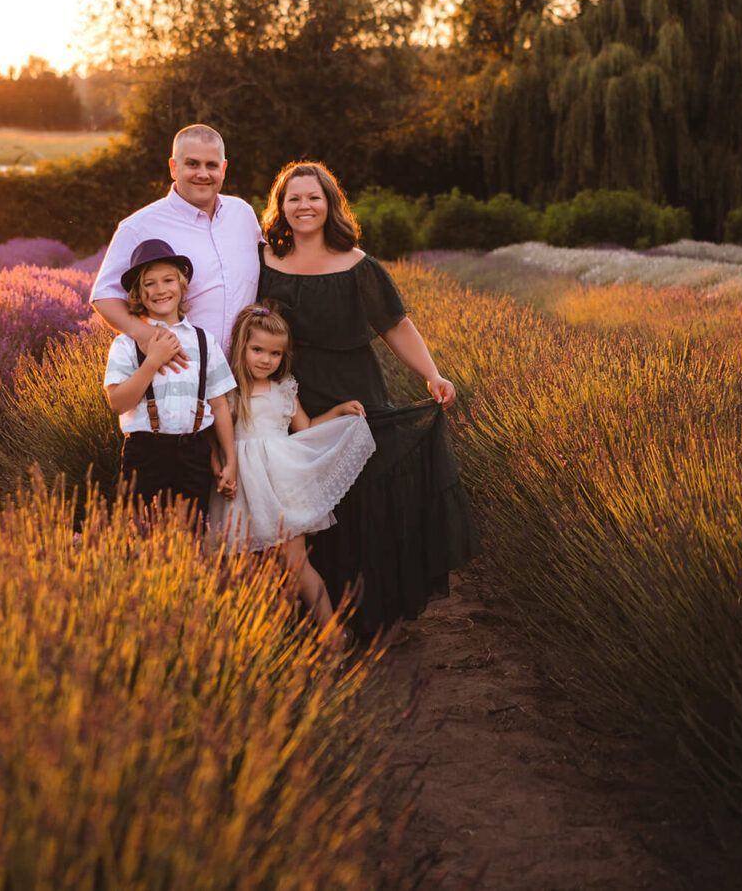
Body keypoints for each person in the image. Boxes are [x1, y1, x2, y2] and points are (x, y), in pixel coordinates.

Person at [254, 160, 482, 640]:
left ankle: (367, 614)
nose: (303, 206)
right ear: (280, 207)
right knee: (300, 501)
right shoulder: (262, 265)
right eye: (293, 197)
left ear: (330, 204)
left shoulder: (360, 266)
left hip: (354, 387)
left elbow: (395, 325)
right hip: (288, 395)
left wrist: (432, 375)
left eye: (313, 197)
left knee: (361, 494)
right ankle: (309, 617)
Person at [209, 303, 375, 631]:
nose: (265, 359)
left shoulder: (284, 388)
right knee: (247, 567)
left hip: (283, 482)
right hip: (241, 486)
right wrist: (221, 470)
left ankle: (331, 637)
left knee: (296, 562)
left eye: (274, 354)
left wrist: (339, 411)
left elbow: (307, 426)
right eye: (257, 350)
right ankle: (261, 637)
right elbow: (213, 440)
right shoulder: (228, 391)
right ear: (242, 346)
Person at [92, 124, 263, 361]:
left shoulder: (242, 214)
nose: (203, 173)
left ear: (223, 169)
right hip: (182, 374)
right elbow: (104, 294)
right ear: (173, 167)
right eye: (192, 164)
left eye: (211, 165)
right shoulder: (140, 226)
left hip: (246, 372)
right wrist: (147, 336)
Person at [102, 237, 238, 520]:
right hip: (145, 453)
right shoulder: (127, 343)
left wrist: (230, 460)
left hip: (194, 453)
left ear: (182, 286)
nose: (160, 290)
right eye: (149, 284)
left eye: (168, 280)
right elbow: (117, 402)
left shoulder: (203, 341)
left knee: (190, 536)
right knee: (137, 533)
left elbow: (220, 405)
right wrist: (152, 360)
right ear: (138, 293)